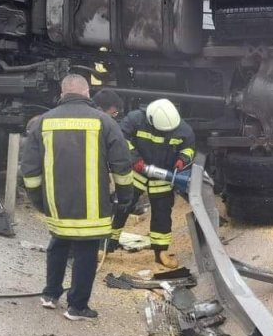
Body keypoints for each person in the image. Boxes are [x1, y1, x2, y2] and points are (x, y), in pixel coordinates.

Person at [20, 74, 134, 321]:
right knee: (85, 251)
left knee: (58, 243)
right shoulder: (105, 122)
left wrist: (39, 200)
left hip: (57, 203)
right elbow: (122, 165)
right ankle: (77, 307)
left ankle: (50, 295)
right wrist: (125, 196)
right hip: (92, 206)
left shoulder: (43, 122)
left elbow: (29, 169)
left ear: (62, 93)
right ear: (87, 92)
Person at [107, 99, 195, 267]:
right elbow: (120, 140)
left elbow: (189, 148)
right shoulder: (135, 120)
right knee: (121, 207)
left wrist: (182, 160)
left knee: (162, 215)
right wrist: (135, 159)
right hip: (136, 174)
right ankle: (105, 245)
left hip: (163, 178)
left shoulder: (184, 129)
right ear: (151, 119)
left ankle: (160, 251)